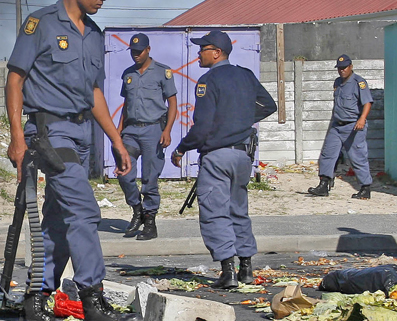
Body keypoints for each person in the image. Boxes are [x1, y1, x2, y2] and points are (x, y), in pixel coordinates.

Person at [6, 0, 141, 321]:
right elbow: (15, 80)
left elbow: (94, 92)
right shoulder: (42, 24)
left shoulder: (95, 34)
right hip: (50, 132)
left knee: (59, 222)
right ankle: (93, 301)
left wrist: (116, 141)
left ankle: (35, 302)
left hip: (83, 135)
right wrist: (18, 138)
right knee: (84, 211)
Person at [170, 30, 277, 289]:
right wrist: (239, 120)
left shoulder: (208, 81)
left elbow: (202, 126)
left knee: (214, 212)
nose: (198, 53)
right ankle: (247, 269)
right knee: (238, 211)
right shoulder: (246, 75)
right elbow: (269, 105)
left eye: (202, 49)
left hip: (217, 156)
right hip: (242, 156)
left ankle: (228, 272)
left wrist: (181, 148)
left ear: (216, 53)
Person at [116, 32, 176, 240]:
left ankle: (150, 222)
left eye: (139, 51)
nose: (136, 55)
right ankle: (137, 210)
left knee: (150, 178)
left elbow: (173, 102)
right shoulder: (128, 74)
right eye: (133, 52)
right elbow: (126, 105)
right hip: (131, 131)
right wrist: (118, 131)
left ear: (148, 50)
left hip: (153, 131)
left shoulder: (162, 72)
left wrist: (167, 129)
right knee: (124, 173)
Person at [308, 54, 373, 199]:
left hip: (353, 125)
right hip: (337, 125)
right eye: (339, 68)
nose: (342, 70)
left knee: (358, 157)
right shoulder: (337, 82)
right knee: (327, 154)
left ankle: (365, 188)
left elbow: (367, 102)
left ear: (351, 67)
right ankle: (324, 185)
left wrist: (362, 118)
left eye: (344, 67)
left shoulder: (359, 82)